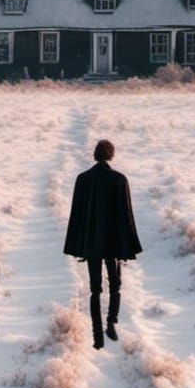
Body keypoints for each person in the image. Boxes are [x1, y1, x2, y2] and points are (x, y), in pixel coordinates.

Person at [63, 139, 142, 349]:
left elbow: (76, 215)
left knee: (95, 289)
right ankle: (111, 322)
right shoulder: (119, 180)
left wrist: (78, 244)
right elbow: (126, 216)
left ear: (95, 155)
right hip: (113, 243)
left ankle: (97, 336)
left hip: (91, 243)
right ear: (111, 155)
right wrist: (127, 247)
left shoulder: (83, 179)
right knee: (115, 284)